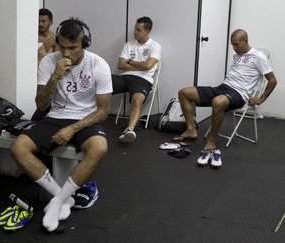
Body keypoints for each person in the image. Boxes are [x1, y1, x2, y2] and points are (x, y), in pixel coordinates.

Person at [10, 18, 112, 232]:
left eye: (73, 48)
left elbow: (103, 110)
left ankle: (56, 202)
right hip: (56, 116)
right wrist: (55, 77)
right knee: (18, 147)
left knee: (100, 148)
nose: (66, 53)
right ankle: (63, 198)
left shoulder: (98, 65)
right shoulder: (49, 62)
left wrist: (73, 128)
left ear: (84, 43)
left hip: (85, 118)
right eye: (63, 47)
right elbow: (40, 104)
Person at [175, 29, 277, 167]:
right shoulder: (237, 55)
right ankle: (191, 129)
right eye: (232, 45)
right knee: (184, 92)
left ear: (246, 41)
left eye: (237, 44)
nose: (234, 48)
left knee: (218, 102)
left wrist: (261, 99)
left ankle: (212, 140)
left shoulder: (258, 57)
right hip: (222, 88)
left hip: (239, 94)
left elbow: (272, 80)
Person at [112, 16, 161, 143]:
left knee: (136, 101)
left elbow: (148, 66)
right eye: (135, 28)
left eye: (138, 30)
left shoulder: (155, 46)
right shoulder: (128, 44)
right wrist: (140, 65)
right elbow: (121, 65)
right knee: (102, 85)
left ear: (147, 31)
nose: (134, 32)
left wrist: (130, 61)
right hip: (125, 77)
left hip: (143, 80)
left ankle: (129, 130)